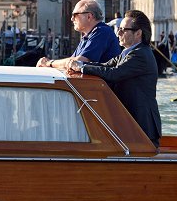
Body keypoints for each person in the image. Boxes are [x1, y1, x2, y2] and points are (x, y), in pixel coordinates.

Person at [67, 10, 162, 147]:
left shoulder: (140, 54)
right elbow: (105, 66)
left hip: (142, 122)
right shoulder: (127, 53)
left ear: (138, 33)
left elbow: (114, 73)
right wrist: (81, 65)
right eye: (118, 29)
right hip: (130, 121)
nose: (118, 33)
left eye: (123, 30)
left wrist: (82, 67)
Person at [37, 0, 120, 69]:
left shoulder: (102, 32)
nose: (72, 19)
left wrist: (49, 63)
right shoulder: (89, 35)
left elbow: (79, 62)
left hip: (102, 86)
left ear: (89, 16)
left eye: (75, 15)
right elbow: (71, 62)